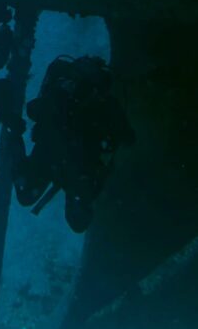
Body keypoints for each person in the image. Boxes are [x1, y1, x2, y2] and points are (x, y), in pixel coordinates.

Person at [11, 54, 133, 233]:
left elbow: (120, 137)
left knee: (26, 194)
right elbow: (117, 140)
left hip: (56, 148)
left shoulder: (80, 183)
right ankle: (11, 128)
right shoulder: (87, 184)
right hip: (59, 142)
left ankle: (11, 129)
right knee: (26, 193)